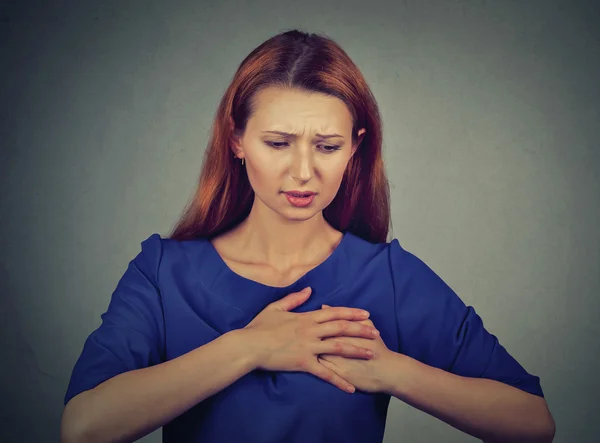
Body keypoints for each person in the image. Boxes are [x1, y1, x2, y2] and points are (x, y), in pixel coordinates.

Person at [60, 30, 555, 443]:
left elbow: (533, 422)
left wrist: (391, 372)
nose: (303, 172)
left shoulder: (389, 278)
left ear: (354, 150)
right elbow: (83, 427)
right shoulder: (164, 273)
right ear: (236, 140)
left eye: (327, 146)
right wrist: (248, 348)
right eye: (277, 143)